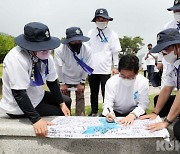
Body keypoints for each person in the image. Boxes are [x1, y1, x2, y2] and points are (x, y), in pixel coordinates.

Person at [0, 22, 71, 136]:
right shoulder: (17, 58)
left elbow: (52, 82)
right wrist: (36, 119)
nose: (46, 51)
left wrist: (61, 103)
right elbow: (19, 93)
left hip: (37, 95)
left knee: (66, 101)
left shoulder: (46, 55)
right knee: (58, 113)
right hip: (17, 104)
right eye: (41, 47)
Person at [140, 28, 180, 141]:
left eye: (167, 49)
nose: (164, 53)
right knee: (159, 100)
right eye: (162, 51)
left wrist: (167, 122)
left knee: (178, 130)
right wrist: (154, 112)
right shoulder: (173, 62)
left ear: (178, 45)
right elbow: (167, 88)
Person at [87, 8, 121, 116]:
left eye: (103, 19)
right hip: (92, 68)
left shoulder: (112, 34)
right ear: (95, 20)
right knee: (93, 92)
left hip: (105, 69)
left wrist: (115, 66)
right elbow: (87, 50)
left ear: (107, 20)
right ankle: (94, 111)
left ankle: (106, 110)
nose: (101, 21)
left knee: (106, 92)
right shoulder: (90, 33)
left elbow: (115, 52)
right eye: (98, 19)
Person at [54, 27, 92, 116]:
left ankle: (80, 119)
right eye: (74, 41)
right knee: (65, 100)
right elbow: (58, 67)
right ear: (68, 41)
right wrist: (62, 83)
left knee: (80, 99)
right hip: (65, 77)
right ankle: (66, 117)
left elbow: (87, 67)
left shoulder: (87, 50)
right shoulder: (60, 50)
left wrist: (82, 83)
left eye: (79, 41)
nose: (77, 43)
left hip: (79, 77)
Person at [102, 55, 149, 125]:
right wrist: (109, 112)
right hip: (115, 113)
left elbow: (143, 104)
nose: (126, 79)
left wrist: (133, 114)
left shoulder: (143, 82)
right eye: (123, 76)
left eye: (130, 77)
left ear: (137, 72)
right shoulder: (111, 82)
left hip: (135, 112)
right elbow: (108, 103)